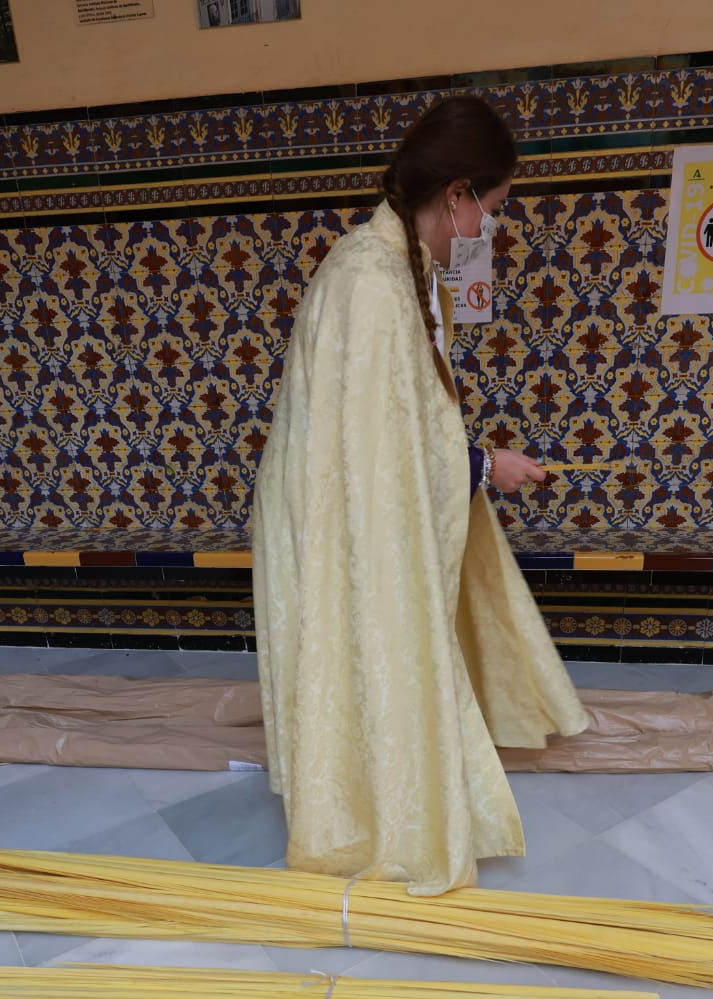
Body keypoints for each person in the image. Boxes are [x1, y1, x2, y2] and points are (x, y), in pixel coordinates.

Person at [251, 93, 587, 896]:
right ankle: (374, 820)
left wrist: (476, 458)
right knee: (367, 649)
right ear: (458, 194)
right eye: (491, 210)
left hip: (343, 502)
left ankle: (390, 785)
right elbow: (376, 450)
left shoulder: (394, 264)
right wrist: (481, 467)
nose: (487, 232)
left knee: (383, 653)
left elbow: (392, 430)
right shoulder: (371, 280)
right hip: (333, 516)